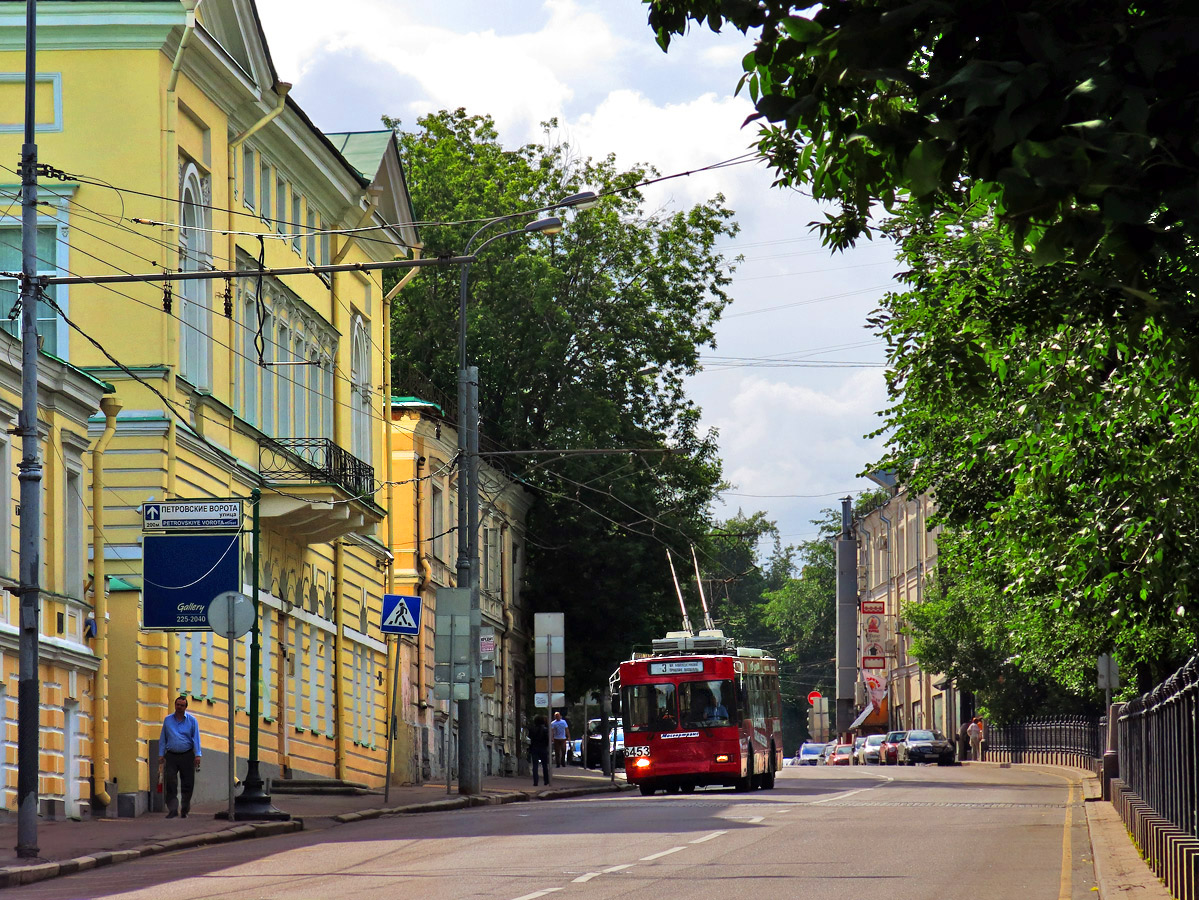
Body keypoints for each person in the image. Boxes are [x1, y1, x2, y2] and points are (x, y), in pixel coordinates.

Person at [158, 695, 202, 818]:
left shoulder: (192, 721)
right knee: (170, 782)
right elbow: (163, 738)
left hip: (187, 755)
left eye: (182, 705)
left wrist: (197, 755)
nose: (179, 707)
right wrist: (161, 754)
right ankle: (172, 809)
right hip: (171, 755)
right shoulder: (168, 720)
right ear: (175, 705)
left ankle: (184, 809)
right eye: (178, 705)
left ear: (185, 707)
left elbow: (196, 738)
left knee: (187, 783)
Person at [529, 715, 550, 786]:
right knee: (544, 765)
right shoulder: (545, 730)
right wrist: (546, 746)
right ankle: (546, 780)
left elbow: (530, 738)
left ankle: (535, 781)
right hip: (543, 748)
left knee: (535, 765)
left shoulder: (532, 729)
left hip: (534, 748)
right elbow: (547, 740)